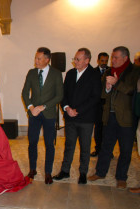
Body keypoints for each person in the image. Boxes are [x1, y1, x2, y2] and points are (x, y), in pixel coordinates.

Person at [88, 46, 140, 190]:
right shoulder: (109, 71)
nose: (113, 60)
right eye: (113, 57)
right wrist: (108, 88)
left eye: (116, 57)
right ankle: (100, 172)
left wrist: (117, 83)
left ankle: (121, 177)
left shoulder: (135, 71)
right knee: (106, 146)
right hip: (109, 116)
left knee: (125, 149)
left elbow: (132, 90)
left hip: (127, 117)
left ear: (125, 58)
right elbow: (104, 95)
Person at [53, 48, 101, 184]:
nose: (75, 62)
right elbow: (64, 94)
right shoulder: (70, 73)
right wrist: (66, 108)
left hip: (86, 118)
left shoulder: (94, 74)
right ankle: (65, 171)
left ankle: (83, 173)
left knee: (85, 147)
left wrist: (77, 110)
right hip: (70, 117)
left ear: (87, 60)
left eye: (78, 59)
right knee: (69, 145)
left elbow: (95, 97)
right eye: (74, 59)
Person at [21, 47, 63, 184]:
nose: (36, 61)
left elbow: (59, 96)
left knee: (49, 144)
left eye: (39, 58)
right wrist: (31, 107)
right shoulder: (32, 73)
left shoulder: (56, 74)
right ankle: (32, 169)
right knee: (32, 142)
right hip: (34, 114)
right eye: (35, 58)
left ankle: (48, 172)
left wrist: (43, 106)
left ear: (47, 59)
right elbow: (25, 92)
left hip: (49, 114)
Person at [91, 52, 109, 157]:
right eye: (102, 61)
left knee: (108, 130)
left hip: (108, 105)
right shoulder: (93, 72)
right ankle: (98, 149)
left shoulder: (111, 71)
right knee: (98, 129)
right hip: (97, 106)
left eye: (106, 61)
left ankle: (107, 151)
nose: (104, 63)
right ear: (98, 60)